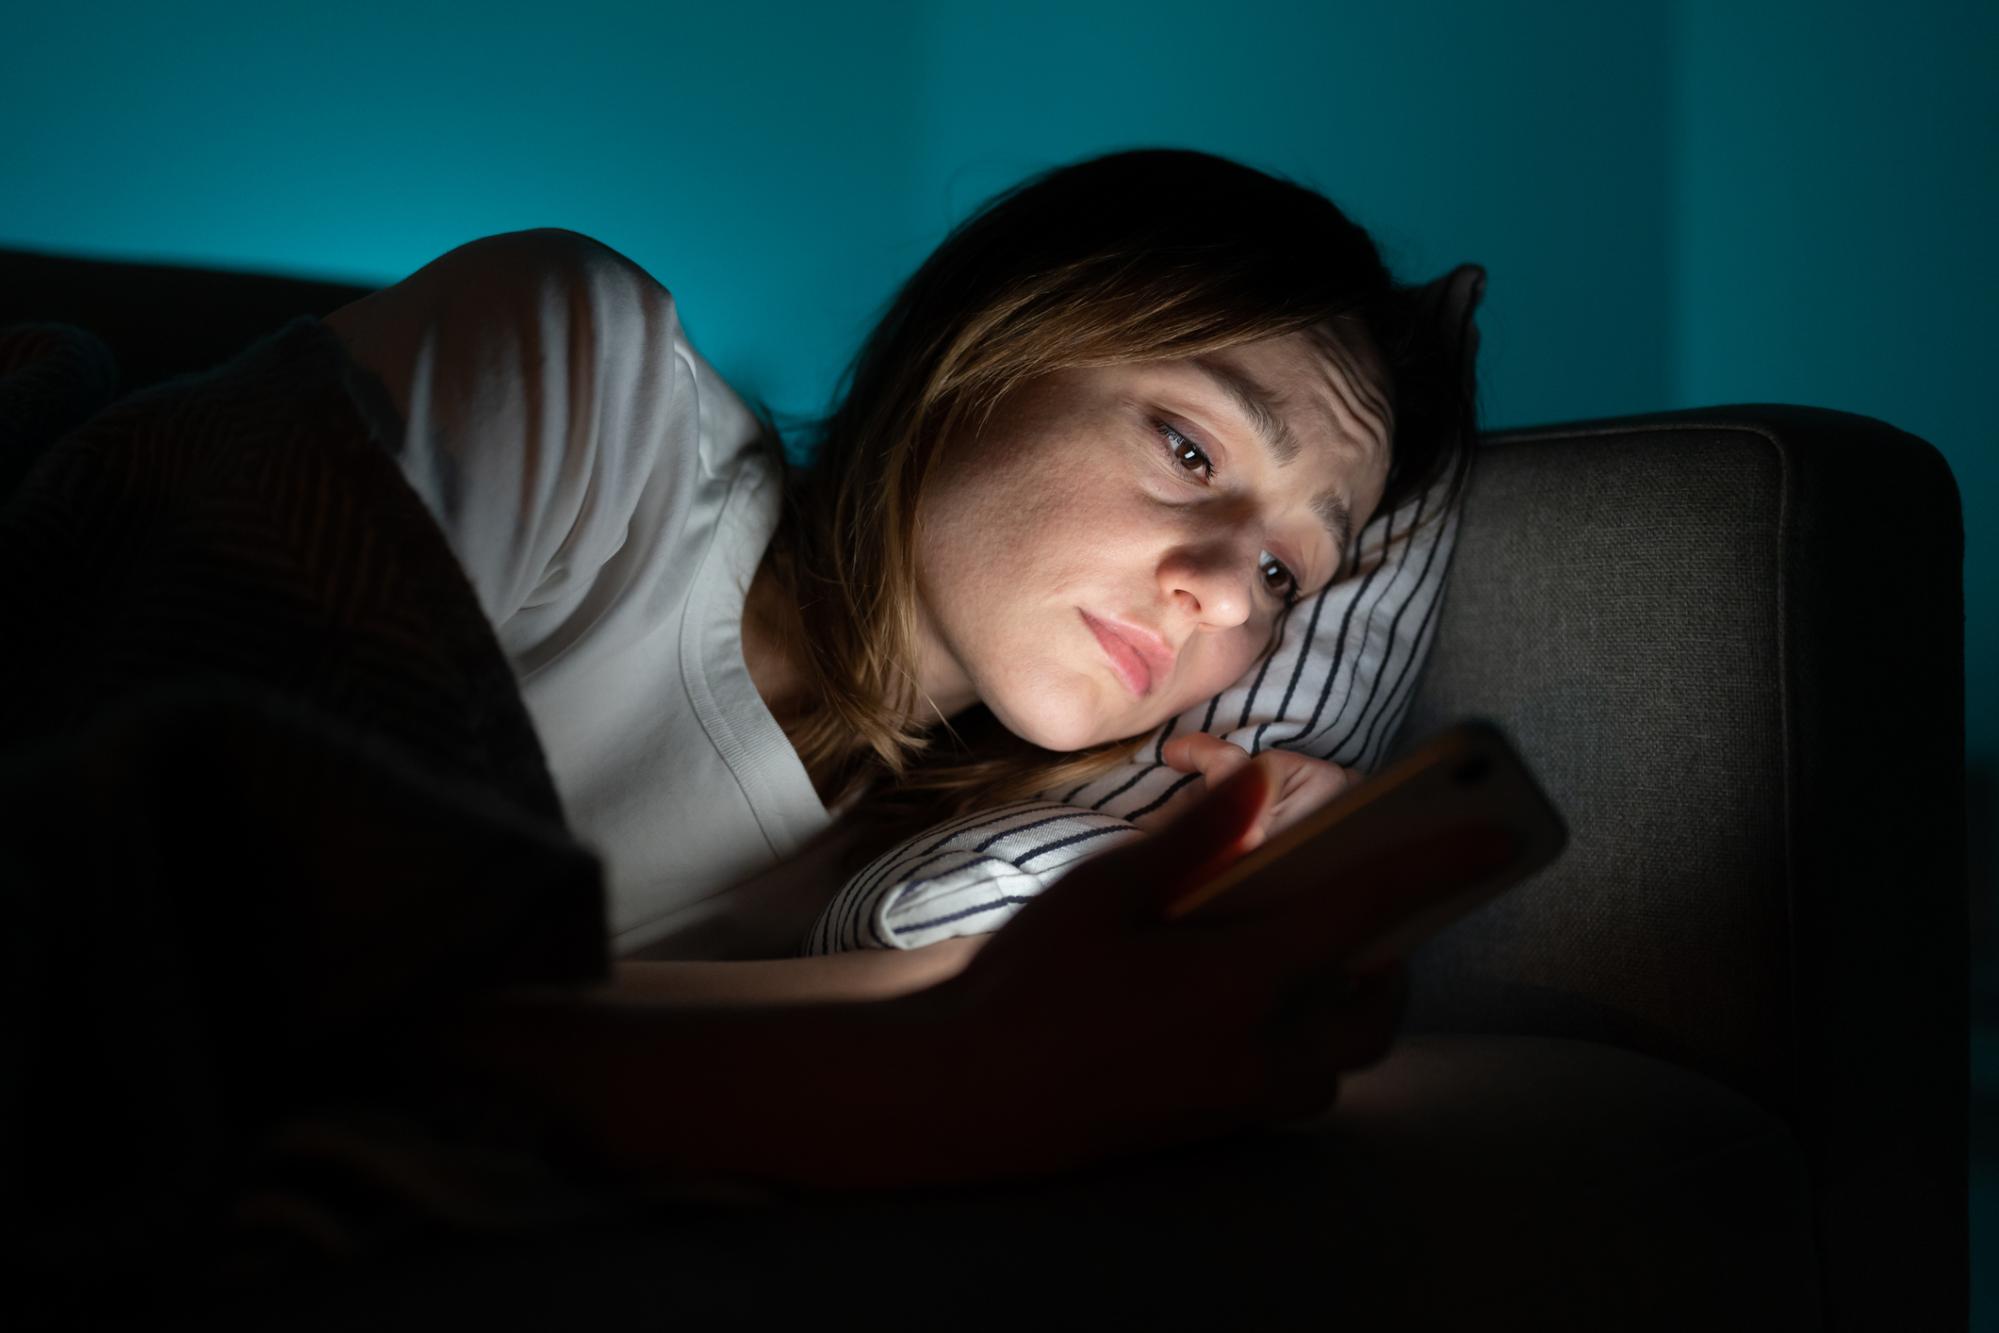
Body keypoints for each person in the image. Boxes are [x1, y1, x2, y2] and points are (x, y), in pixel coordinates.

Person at [315, 147, 1479, 1194]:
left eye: (1285, 574)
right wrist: (936, 1035)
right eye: (1189, 447)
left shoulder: (911, 892)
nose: (1229, 595)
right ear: (994, 346)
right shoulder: (583, 379)